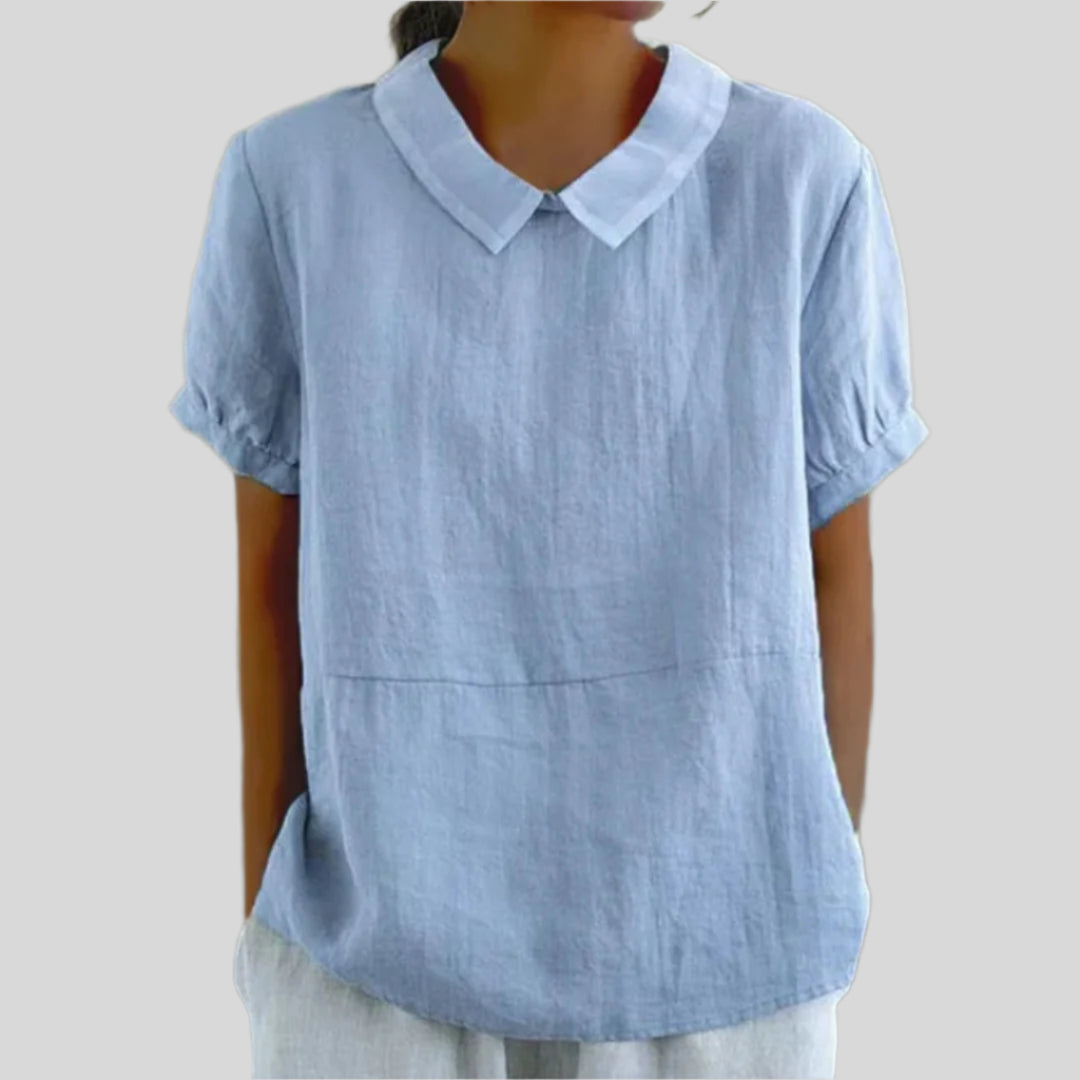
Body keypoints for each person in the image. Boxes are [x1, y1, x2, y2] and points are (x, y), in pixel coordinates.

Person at [168, 2, 929, 1076]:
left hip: (730, 975)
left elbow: (833, 581)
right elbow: (270, 591)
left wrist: (784, 885)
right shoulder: (295, 183)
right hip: (368, 980)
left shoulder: (801, 179)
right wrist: (276, 947)